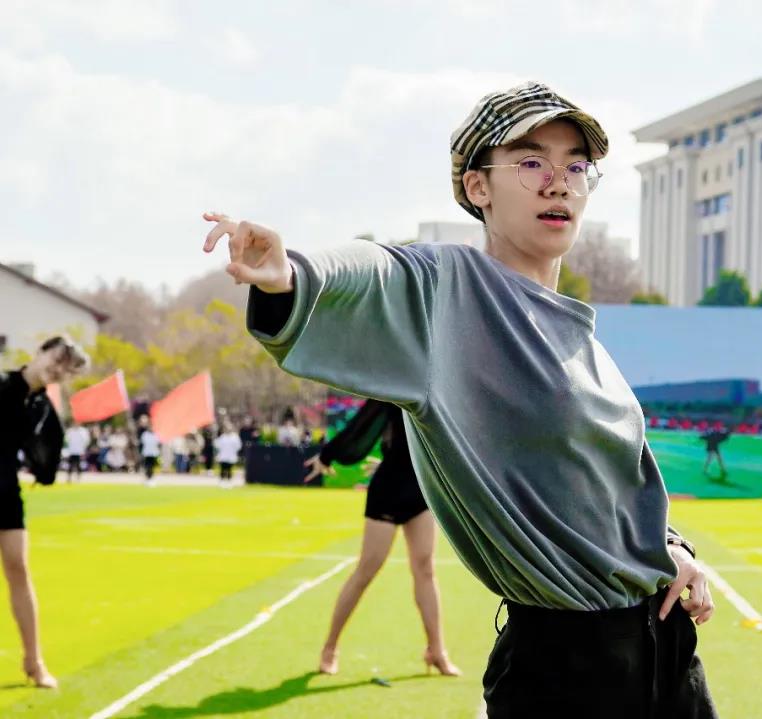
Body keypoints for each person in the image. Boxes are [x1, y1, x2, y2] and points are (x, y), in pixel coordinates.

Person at [202, 81, 717, 718]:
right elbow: (379, 268)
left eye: (575, 167)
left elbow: (608, 481)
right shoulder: (449, 290)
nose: (557, 184)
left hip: (665, 656)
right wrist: (293, 274)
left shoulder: (577, 332)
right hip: (570, 674)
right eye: (531, 162)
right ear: (478, 187)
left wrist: (673, 548)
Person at [303, 399, 459, 677]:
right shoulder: (395, 386)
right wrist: (327, 456)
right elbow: (363, 424)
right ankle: (330, 648)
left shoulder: (443, 390)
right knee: (367, 569)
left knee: (425, 568)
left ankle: (436, 651)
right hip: (389, 489)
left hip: (422, 488)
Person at [0, 336, 89, 688]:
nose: (57, 369)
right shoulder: (3, 383)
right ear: (39, 352)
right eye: (56, 359)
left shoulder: (44, 409)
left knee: (19, 569)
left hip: (6, 491)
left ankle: (34, 662)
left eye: (66, 369)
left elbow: (47, 462)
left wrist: (42, 468)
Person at [213, 422, 243, 487]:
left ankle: (229, 481)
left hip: (231, 456)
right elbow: (217, 445)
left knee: (229, 469)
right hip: (223, 456)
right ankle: (222, 481)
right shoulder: (222, 436)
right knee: (223, 468)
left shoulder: (235, 437)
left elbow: (238, 446)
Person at [137, 416, 161, 486]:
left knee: (153, 467)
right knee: (147, 467)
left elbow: (158, 443)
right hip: (147, 453)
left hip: (154, 453)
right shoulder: (145, 434)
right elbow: (142, 444)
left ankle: (151, 478)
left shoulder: (156, 434)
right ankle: (148, 478)